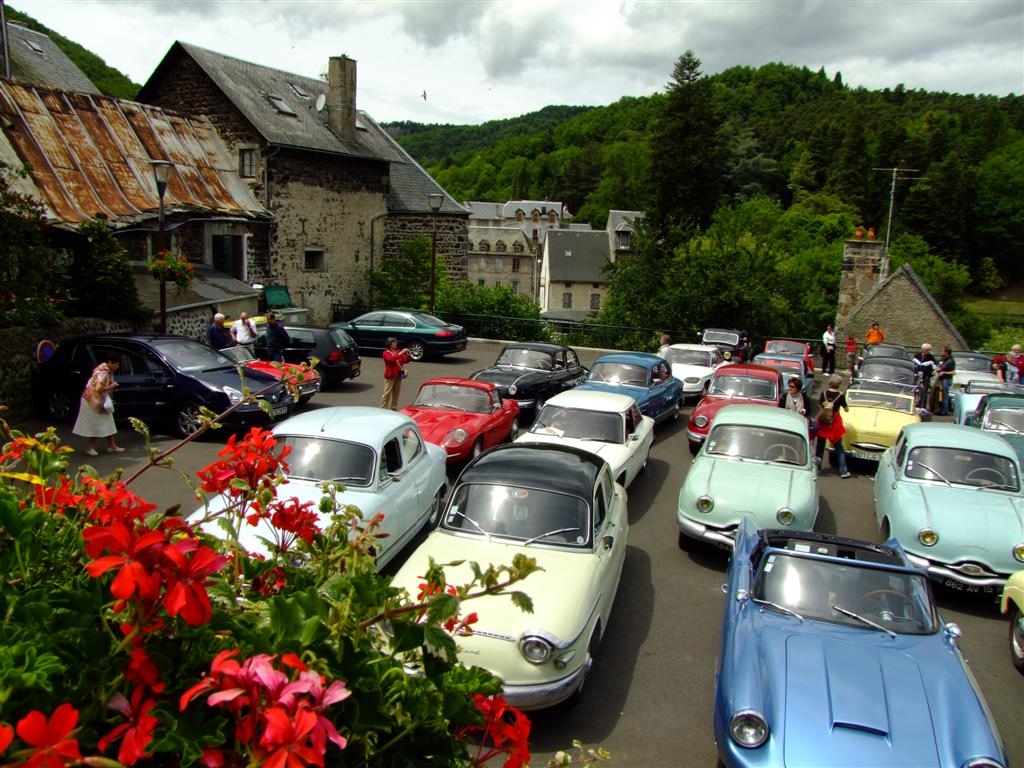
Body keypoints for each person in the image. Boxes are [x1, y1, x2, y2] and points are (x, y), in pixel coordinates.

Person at [72, 352, 125, 457]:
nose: (117, 367)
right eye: (117, 364)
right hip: (92, 401)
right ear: (110, 362)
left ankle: (112, 445)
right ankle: (90, 447)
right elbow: (98, 388)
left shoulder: (107, 371)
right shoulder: (103, 372)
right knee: (96, 423)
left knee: (108, 421)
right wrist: (111, 387)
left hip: (98, 399)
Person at [815, 374, 851, 478]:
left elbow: (820, 406)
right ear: (839, 384)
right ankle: (843, 471)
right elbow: (846, 409)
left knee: (820, 447)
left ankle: (817, 468)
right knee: (839, 448)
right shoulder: (840, 396)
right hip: (834, 424)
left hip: (823, 423)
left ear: (830, 382)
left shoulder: (823, 394)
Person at [380, 337, 410, 410]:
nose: (396, 344)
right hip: (390, 376)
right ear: (389, 344)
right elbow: (391, 359)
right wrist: (401, 352)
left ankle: (393, 407)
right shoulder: (385, 353)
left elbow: (404, 360)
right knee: (387, 393)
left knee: (396, 393)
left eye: (396, 342)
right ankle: (383, 408)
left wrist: (408, 355)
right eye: (394, 342)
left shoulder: (398, 351)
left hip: (398, 375)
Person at [913, 343, 937, 408]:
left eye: (929, 350)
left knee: (923, 392)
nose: (928, 351)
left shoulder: (931, 358)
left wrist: (932, 373)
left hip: (925, 377)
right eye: (927, 350)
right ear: (922, 350)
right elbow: (913, 364)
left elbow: (934, 368)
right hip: (916, 376)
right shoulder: (917, 355)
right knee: (915, 391)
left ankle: (922, 406)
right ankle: (914, 405)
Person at [934, 346, 956, 416]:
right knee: (941, 395)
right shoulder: (944, 359)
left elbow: (953, 372)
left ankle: (945, 411)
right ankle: (940, 409)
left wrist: (944, 373)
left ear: (946, 352)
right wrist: (938, 369)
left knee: (945, 395)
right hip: (942, 379)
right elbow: (940, 366)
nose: (942, 352)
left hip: (947, 380)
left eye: (943, 351)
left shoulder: (951, 361)